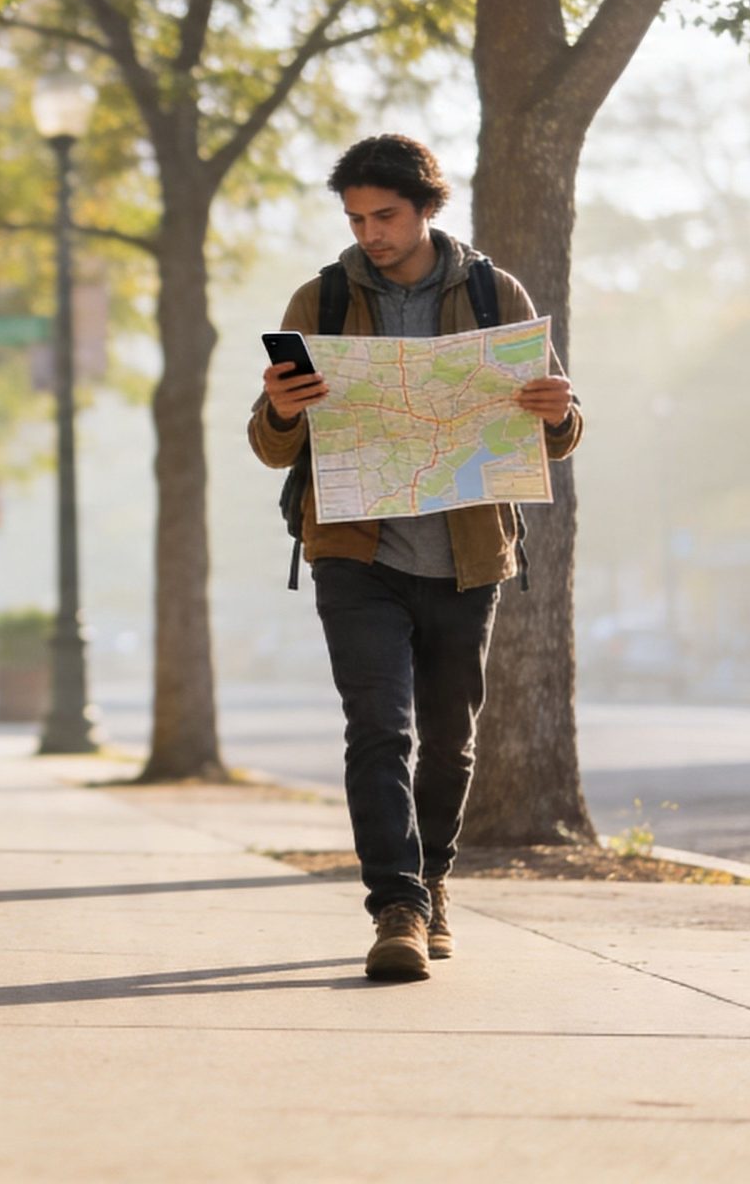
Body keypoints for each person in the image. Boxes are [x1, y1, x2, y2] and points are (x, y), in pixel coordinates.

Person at [248, 135, 585, 982]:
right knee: (377, 730)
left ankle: (434, 883)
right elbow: (268, 446)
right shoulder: (319, 300)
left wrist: (558, 410)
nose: (371, 233)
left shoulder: (490, 291)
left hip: (466, 555)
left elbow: (561, 430)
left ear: (427, 207)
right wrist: (281, 409)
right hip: (355, 554)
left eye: (386, 216)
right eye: (357, 218)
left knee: (449, 741)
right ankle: (394, 906)